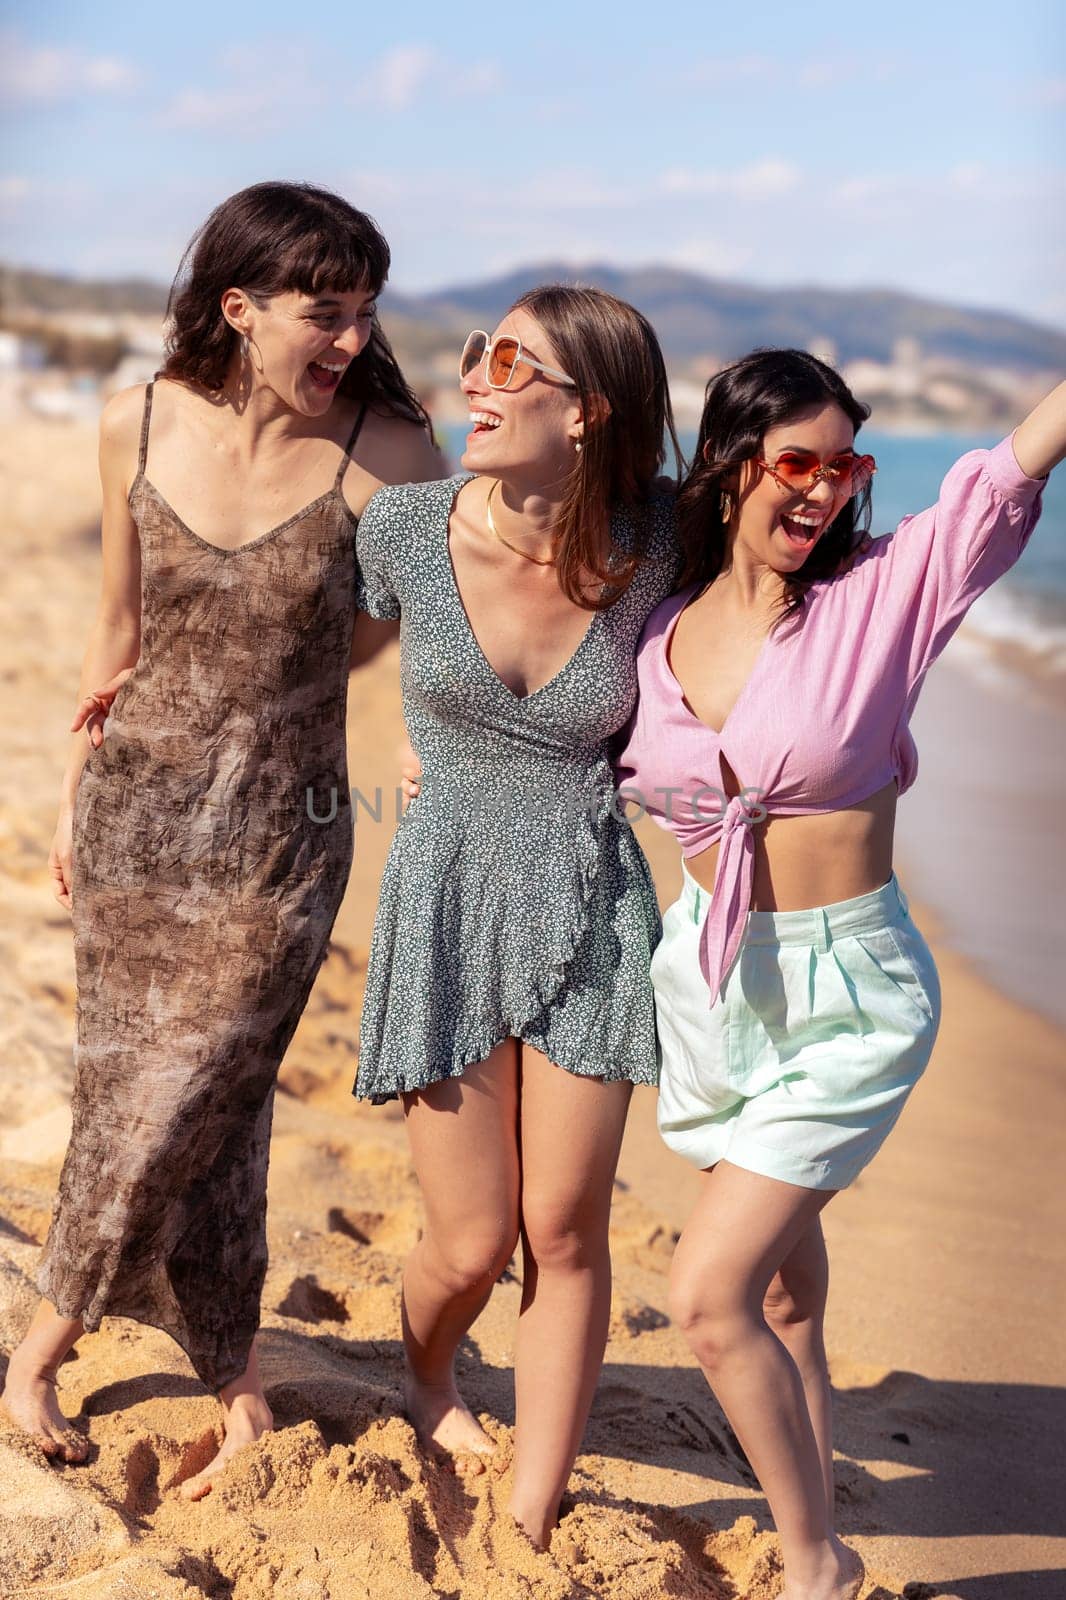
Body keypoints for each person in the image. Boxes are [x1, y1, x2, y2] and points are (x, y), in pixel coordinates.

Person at [1, 181, 441, 1498]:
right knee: (175, 1092)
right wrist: (73, 792)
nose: (352, 339)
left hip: (283, 834)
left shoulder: (397, 454)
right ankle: (233, 1369)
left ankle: (40, 1345)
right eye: (326, 311)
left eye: (367, 312)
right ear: (239, 309)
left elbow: (382, 635)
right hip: (136, 814)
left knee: (186, 1080)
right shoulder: (134, 419)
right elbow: (111, 640)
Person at [616, 350, 1064, 1600]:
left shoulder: (884, 594)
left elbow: (1005, 468)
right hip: (708, 984)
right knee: (789, 1298)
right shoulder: (651, 628)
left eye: (844, 466)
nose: (821, 491)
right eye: (796, 462)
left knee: (708, 1297)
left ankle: (814, 1565)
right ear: (729, 464)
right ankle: (810, 1515)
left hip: (847, 993)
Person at [352, 286, 681, 1547]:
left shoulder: (661, 540)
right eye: (473, 356)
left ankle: (538, 1496)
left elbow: (785, 598)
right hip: (442, 894)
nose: (473, 382)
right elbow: (313, 656)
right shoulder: (406, 526)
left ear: (589, 411)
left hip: (591, 899)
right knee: (472, 1240)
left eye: (505, 362)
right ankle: (429, 1375)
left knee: (562, 1227)